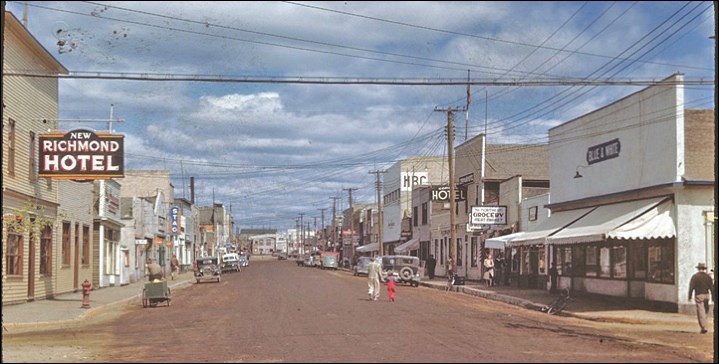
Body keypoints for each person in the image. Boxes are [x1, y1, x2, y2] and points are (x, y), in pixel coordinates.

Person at [688, 262, 715, 334]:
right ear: (704, 269)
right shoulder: (708, 277)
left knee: (701, 311)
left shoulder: (695, 277)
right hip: (706, 295)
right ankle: (704, 323)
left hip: (699, 295)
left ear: (698, 269)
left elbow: (691, 287)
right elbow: (712, 287)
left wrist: (689, 296)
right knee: (706, 310)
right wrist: (713, 297)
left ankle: (703, 327)